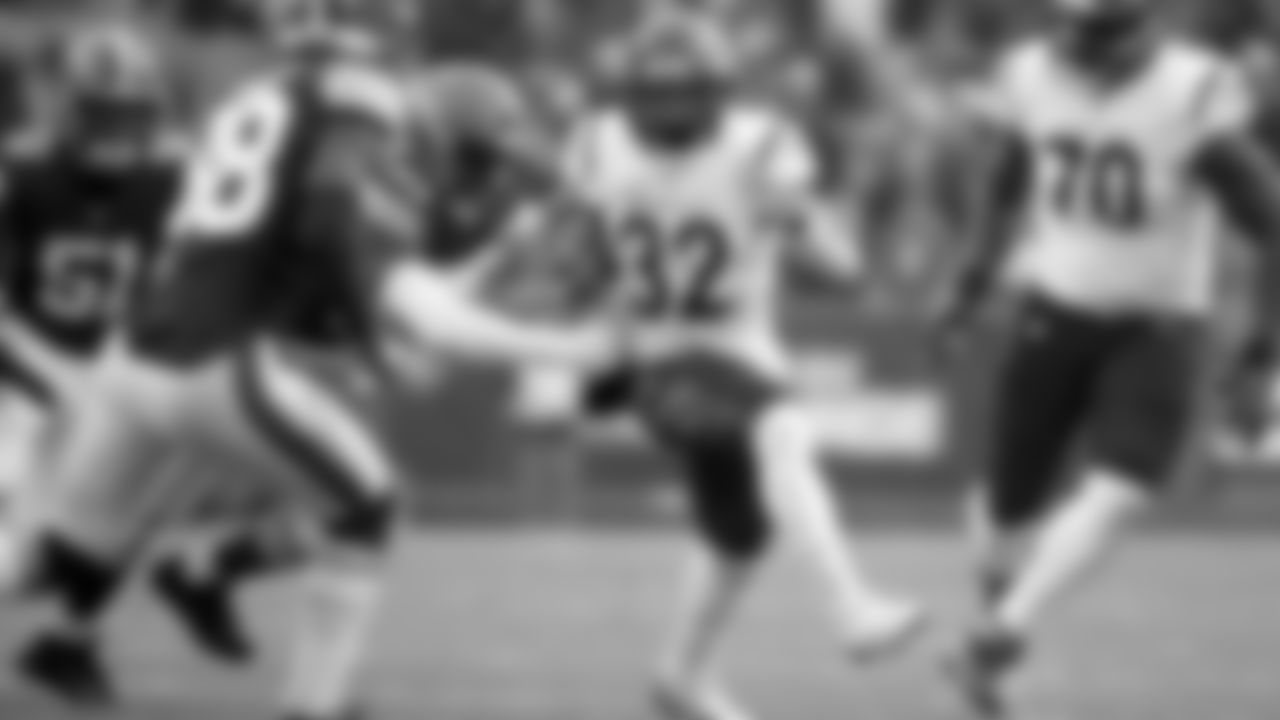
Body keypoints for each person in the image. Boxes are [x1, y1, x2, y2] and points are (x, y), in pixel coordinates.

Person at [14, 1, 621, 719]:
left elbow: (380, 287)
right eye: (474, 159)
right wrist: (582, 346)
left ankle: (157, 598)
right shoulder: (359, 105)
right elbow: (396, 288)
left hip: (135, 357)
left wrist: (491, 261)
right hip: (219, 358)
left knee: (55, 557)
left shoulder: (262, 96)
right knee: (367, 509)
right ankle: (307, 697)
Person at [560, 12, 924, 720]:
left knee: (739, 532)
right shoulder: (723, 144)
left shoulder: (635, 144)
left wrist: (803, 225)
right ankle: (849, 606)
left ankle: (681, 678)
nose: (669, 110)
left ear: (717, 90)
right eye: (656, 94)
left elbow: (580, 262)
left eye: (683, 93)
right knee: (780, 430)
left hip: (731, 348)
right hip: (663, 355)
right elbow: (840, 265)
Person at [941, 0, 1280, 715]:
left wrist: (1260, 352)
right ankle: (994, 632)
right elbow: (1007, 180)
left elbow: (1271, 220)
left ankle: (1001, 632)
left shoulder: (1191, 93)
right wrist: (972, 277)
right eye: (1080, 32)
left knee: (1125, 483)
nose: (1087, 50)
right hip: (1051, 309)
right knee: (1005, 515)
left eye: (1104, 34)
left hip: (1157, 322)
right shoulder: (1031, 74)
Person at [0, 23, 187, 704]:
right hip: (19, 382)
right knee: (17, 568)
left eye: (129, 115)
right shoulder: (20, 172)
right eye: (102, 114)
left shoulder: (174, 176)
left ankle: (71, 645)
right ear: (70, 110)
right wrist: (57, 378)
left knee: (118, 521)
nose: (115, 131)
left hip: (107, 381)